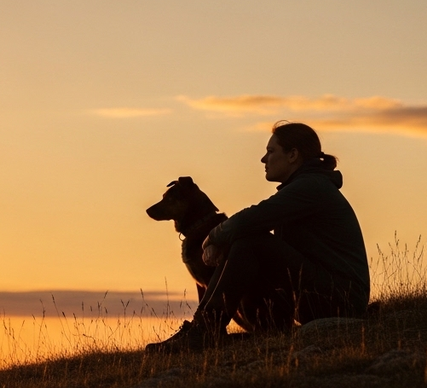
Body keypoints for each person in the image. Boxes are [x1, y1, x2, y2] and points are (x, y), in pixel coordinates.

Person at [147, 121, 369, 353]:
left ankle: (204, 331)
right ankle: (211, 330)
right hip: (322, 293)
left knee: (251, 241)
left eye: (271, 152)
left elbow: (251, 218)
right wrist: (226, 242)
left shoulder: (311, 187)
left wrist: (213, 237)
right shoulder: (305, 187)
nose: (264, 159)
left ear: (293, 155)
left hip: (340, 300)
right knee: (249, 240)